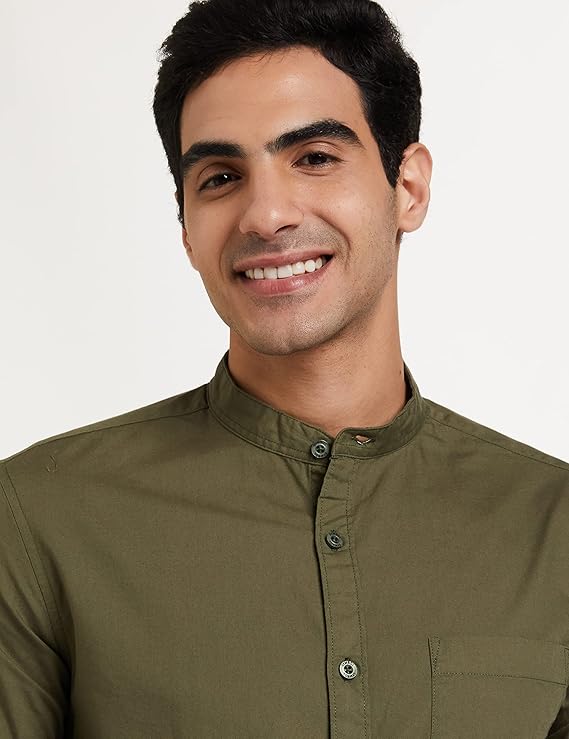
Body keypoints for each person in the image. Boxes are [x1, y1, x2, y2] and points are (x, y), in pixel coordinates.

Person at [1, 0, 568, 735]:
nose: (266, 215)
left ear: (408, 187)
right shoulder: (38, 518)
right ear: (185, 227)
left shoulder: (550, 525)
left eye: (315, 158)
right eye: (219, 177)